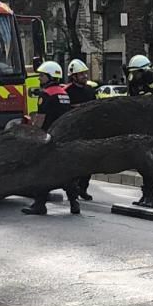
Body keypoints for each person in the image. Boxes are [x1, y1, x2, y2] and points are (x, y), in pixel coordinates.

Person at [22, 61, 80, 216]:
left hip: (48, 138)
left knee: (42, 172)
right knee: (66, 172)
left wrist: (32, 133)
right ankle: (74, 202)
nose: (39, 79)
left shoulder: (46, 94)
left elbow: (41, 119)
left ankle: (39, 205)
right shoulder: (63, 94)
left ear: (50, 76)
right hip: (64, 138)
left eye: (41, 76)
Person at [125, 54, 153, 208]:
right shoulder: (134, 85)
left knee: (148, 163)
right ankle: (145, 195)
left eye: (137, 73)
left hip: (150, 127)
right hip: (138, 126)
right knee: (141, 162)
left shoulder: (151, 82)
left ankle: (150, 196)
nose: (134, 76)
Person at [65, 59, 97, 201]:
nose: (85, 76)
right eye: (81, 74)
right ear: (74, 76)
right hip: (73, 132)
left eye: (85, 73)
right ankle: (73, 188)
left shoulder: (90, 90)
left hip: (89, 130)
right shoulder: (66, 91)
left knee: (89, 162)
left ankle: (83, 188)